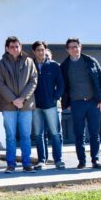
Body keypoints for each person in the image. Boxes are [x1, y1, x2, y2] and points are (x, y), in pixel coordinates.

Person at [60, 38, 101, 169]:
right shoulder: (65, 66)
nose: (75, 49)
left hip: (93, 102)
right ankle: (82, 161)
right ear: (67, 50)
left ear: (81, 47)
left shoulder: (91, 61)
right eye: (72, 47)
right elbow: (63, 85)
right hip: (76, 103)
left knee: (94, 133)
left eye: (77, 46)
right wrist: (66, 102)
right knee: (79, 134)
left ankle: (95, 160)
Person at [0, 36, 38, 173]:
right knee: (10, 136)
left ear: (21, 47)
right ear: (7, 49)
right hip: (8, 106)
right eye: (12, 46)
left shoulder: (29, 62)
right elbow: (0, 84)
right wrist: (13, 100)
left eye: (17, 46)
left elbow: (33, 81)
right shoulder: (0, 64)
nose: (15, 49)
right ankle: (11, 164)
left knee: (26, 136)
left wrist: (22, 98)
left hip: (26, 105)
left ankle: (26, 164)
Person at [31, 41, 66, 170]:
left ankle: (58, 160)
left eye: (42, 50)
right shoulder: (30, 66)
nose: (41, 52)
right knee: (39, 134)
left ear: (45, 50)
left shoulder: (54, 66)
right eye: (38, 50)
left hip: (51, 105)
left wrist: (55, 97)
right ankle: (41, 160)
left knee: (55, 133)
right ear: (34, 52)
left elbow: (61, 84)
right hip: (36, 106)